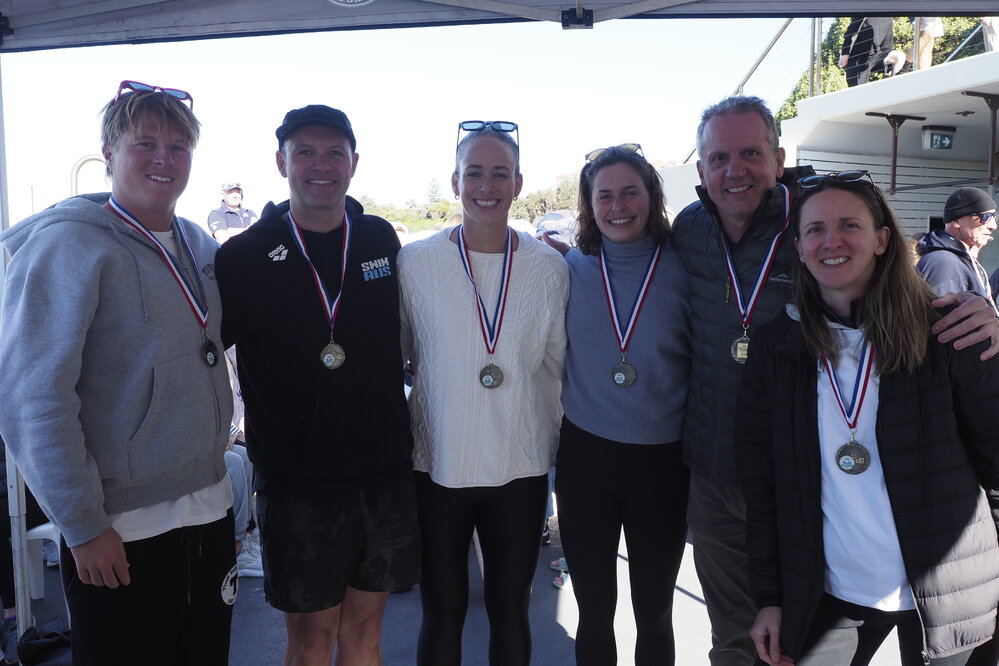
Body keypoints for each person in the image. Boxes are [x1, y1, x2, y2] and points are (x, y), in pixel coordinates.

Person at [671, 95, 999, 666]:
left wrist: (986, 317)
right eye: (719, 158)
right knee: (739, 640)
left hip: (911, 552)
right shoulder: (691, 234)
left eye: (751, 153)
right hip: (728, 479)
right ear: (700, 170)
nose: (735, 170)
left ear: (778, 160)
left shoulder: (938, 334)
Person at [0, 80, 236, 666]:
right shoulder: (67, 246)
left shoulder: (197, 243)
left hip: (209, 506)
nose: (164, 159)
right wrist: (82, 525)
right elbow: (34, 397)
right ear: (108, 153)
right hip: (122, 525)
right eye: (145, 143)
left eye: (178, 146)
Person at [736, 170, 999, 665]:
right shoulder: (776, 347)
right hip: (829, 591)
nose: (831, 241)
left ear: (882, 239)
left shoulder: (949, 333)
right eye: (815, 229)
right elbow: (762, 485)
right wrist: (769, 596)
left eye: (849, 225)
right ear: (800, 247)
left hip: (951, 591)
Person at [215, 104, 420, 666]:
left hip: (383, 476)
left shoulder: (379, 239)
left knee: (366, 633)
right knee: (310, 642)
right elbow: (203, 358)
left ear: (354, 162)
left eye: (334, 152)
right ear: (281, 162)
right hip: (297, 486)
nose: (321, 165)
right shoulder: (244, 255)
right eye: (305, 152)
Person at [399, 120, 568, 666]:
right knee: (442, 611)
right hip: (438, 466)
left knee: (510, 610)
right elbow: (400, 354)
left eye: (500, 173)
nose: (486, 186)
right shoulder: (416, 263)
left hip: (519, 468)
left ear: (518, 183)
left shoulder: (549, 268)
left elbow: (561, 366)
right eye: (474, 173)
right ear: (455, 182)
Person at [554, 143, 690, 665]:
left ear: (651, 196)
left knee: (654, 611)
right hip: (585, 460)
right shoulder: (571, 268)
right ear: (588, 206)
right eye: (604, 196)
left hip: (663, 464)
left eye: (630, 192)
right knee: (593, 609)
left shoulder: (685, 267)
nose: (617, 207)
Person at [916, 187, 998, 308]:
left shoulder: (958, 258)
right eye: (985, 217)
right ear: (956, 221)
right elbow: (943, 317)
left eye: (995, 216)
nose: (993, 226)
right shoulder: (944, 262)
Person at [838, 17, 905, 87]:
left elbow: (887, 47)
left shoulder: (888, 19)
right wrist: (845, 54)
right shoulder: (866, 13)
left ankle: (895, 86)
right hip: (856, 60)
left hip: (874, 58)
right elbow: (850, 33)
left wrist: (889, 66)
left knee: (899, 56)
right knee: (859, 90)